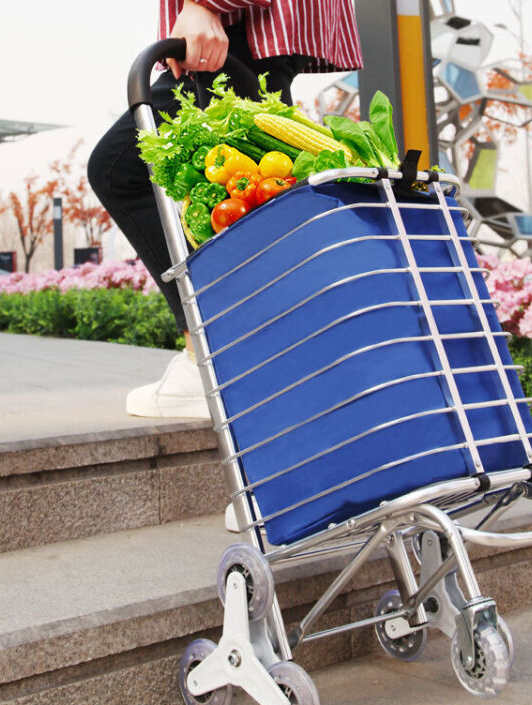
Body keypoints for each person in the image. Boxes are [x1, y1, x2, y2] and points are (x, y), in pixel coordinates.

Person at [88, 0, 362, 419]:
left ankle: (212, 360)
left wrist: (203, 4)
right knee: (250, 202)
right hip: (254, 30)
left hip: (234, 26)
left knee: (119, 170)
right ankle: (266, 360)